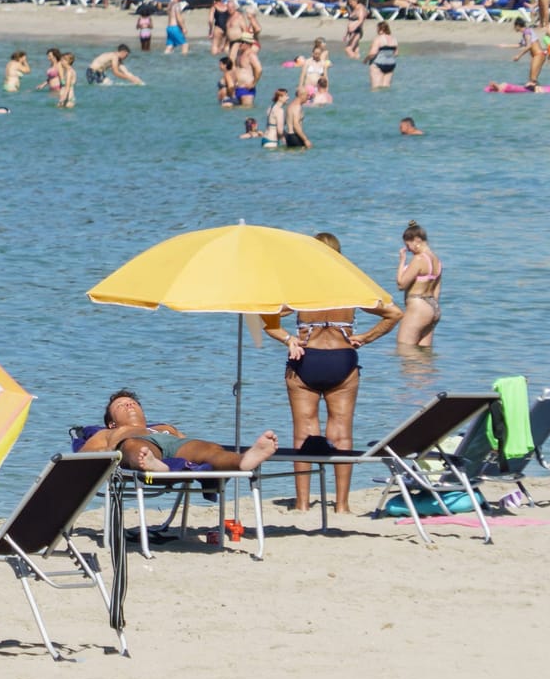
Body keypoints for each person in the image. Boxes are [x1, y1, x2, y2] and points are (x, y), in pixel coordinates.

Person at [260, 233, 403, 513]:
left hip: (306, 360)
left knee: (303, 434)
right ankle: (342, 506)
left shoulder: (300, 289)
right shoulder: (351, 286)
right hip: (342, 360)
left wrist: (289, 339)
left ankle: (302, 504)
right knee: (342, 433)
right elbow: (395, 313)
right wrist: (367, 337)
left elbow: (267, 317)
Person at [78, 390, 278, 474]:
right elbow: (83, 457)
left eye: (133, 402)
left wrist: (195, 448)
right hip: (136, 444)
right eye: (120, 405)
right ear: (111, 423)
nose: (129, 404)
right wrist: (113, 450)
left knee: (208, 449)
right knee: (134, 447)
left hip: (171, 442)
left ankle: (243, 461)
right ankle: (154, 464)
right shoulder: (108, 433)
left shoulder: (164, 427)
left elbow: (185, 443)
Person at [396, 220, 443, 347]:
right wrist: (433, 310)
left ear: (417, 240)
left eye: (408, 245)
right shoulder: (437, 261)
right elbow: (437, 289)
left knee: (405, 350)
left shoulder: (419, 259)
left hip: (418, 307)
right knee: (425, 356)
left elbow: (401, 284)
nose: (408, 249)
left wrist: (402, 261)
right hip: (433, 308)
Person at [365, 22, 397, 89]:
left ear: (380, 29)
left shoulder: (378, 39)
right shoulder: (394, 39)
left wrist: (365, 60)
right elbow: (396, 53)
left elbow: (373, 53)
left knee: (376, 88)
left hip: (378, 63)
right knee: (386, 87)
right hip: (391, 64)